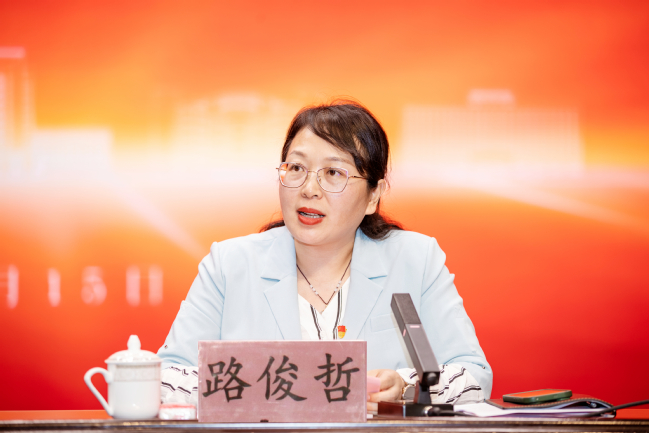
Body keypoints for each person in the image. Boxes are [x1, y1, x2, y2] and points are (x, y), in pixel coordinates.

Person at [158, 100, 492, 411]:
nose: (309, 189)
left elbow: (474, 376)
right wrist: (265, 384)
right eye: (296, 168)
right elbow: (167, 378)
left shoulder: (415, 260)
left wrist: (405, 387)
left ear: (373, 196)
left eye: (333, 173)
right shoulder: (229, 264)